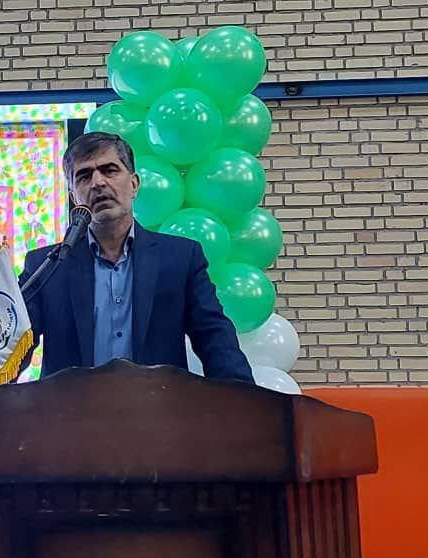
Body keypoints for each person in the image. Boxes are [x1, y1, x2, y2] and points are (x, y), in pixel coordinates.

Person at [18, 131, 253, 383]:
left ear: (134, 185)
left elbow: (215, 339)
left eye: (109, 170)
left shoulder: (181, 258)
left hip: (157, 405)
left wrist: (243, 400)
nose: (98, 183)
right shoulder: (47, 266)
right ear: (74, 196)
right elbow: (8, 349)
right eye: (84, 176)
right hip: (70, 407)